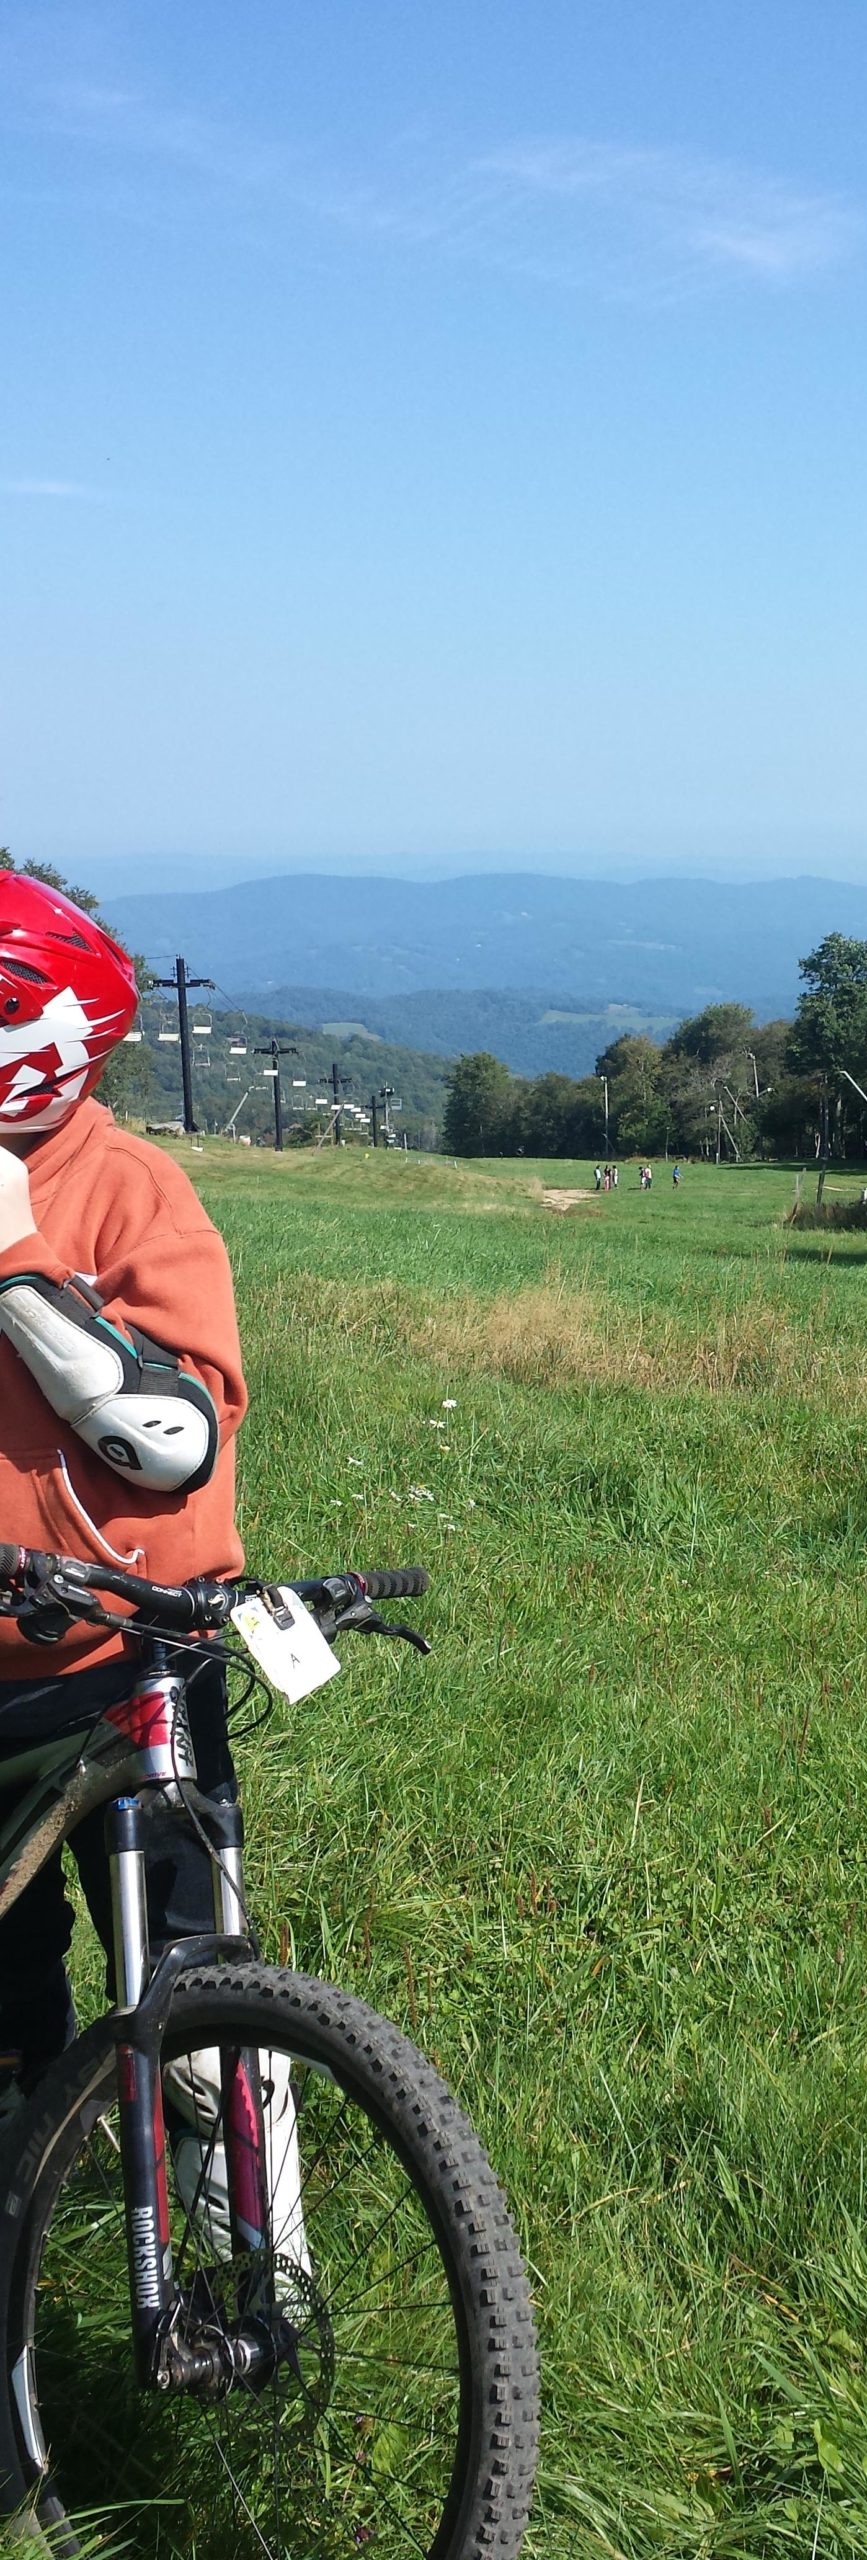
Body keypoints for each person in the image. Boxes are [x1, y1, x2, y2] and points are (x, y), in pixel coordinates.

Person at [0, 874, 247, 2110]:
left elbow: (174, 1441)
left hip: (130, 1660)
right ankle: (29, 2237)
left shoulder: (131, 1186)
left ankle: (260, 2272)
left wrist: (13, 1258)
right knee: (5, 1998)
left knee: (197, 1991)